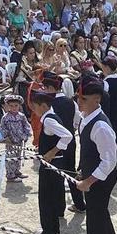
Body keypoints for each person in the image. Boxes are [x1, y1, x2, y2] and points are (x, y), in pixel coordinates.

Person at [69, 76, 117, 234]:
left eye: (83, 97)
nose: (79, 101)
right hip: (94, 173)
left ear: (96, 99)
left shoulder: (100, 126)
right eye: (78, 97)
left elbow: (109, 161)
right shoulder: (85, 115)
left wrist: (88, 182)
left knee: (94, 221)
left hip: (101, 178)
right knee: (100, 211)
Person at [28, 90, 72, 234]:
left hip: (51, 165)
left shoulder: (48, 121)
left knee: (46, 199)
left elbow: (67, 135)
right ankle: (53, 229)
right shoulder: (49, 117)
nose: (34, 110)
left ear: (44, 106)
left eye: (35, 106)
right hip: (54, 164)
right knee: (52, 197)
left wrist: (52, 152)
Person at [41, 72, 86, 213]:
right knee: (70, 171)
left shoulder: (49, 105)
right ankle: (79, 204)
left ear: (49, 88)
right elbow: (78, 120)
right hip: (71, 141)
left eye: (44, 87)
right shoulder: (70, 101)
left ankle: (59, 208)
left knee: (56, 176)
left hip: (56, 144)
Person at [99, 58, 117, 167]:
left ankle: (110, 159)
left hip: (109, 111)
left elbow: (104, 98)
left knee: (109, 135)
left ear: (107, 67)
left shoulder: (106, 82)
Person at [0, 94, 31, 183]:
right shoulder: (5, 117)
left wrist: (26, 135)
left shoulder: (21, 116)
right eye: (11, 106)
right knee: (10, 158)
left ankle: (17, 171)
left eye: (16, 105)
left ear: (19, 106)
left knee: (19, 156)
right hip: (10, 142)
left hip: (20, 140)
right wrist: (6, 137)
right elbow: (2, 128)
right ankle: (10, 175)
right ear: (7, 106)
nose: (14, 108)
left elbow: (26, 126)